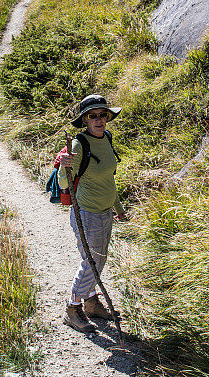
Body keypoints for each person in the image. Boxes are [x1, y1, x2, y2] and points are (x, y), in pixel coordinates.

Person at [58, 94, 127, 333]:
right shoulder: (79, 144)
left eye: (102, 114)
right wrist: (65, 165)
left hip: (106, 211)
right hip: (87, 213)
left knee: (98, 260)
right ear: (85, 120)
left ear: (107, 117)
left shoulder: (106, 137)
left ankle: (90, 303)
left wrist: (118, 209)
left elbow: (108, 178)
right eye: (92, 116)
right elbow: (63, 182)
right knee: (93, 262)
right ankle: (72, 308)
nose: (98, 119)